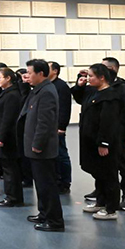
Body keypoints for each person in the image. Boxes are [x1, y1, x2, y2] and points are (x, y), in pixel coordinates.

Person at [72, 64, 122, 220]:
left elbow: (108, 123)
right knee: (99, 174)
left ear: (102, 77)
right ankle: (101, 202)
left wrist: (104, 143)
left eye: (91, 76)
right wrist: (79, 85)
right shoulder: (93, 92)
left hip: (103, 143)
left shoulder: (110, 96)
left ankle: (111, 208)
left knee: (108, 175)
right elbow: (80, 99)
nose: (88, 79)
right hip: (90, 141)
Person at [23, 59, 64, 232]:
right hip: (36, 147)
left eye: (30, 72)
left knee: (47, 185)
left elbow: (45, 122)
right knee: (40, 184)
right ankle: (44, 213)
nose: (27, 75)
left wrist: (38, 144)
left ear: (40, 73)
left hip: (42, 149)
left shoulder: (46, 92)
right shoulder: (38, 89)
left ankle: (54, 221)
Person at [100, 57, 125, 211]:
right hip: (104, 134)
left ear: (112, 69)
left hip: (119, 134)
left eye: (103, 67)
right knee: (104, 166)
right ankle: (103, 195)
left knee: (123, 165)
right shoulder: (102, 86)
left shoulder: (124, 88)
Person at [0, 68, 24, 207]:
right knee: (7, 167)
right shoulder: (5, 92)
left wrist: (1, 137)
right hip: (2, 133)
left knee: (10, 169)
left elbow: (8, 119)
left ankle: (13, 197)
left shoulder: (12, 95)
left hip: (8, 137)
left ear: (8, 78)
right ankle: (11, 195)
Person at [48, 61, 73, 194]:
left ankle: (65, 182)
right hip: (49, 126)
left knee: (61, 154)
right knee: (53, 155)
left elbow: (65, 108)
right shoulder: (47, 85)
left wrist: (62, 126)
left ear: (55, 71)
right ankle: (56, 179)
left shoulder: (61, 86)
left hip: (57, 127)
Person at [16, 68, 33, 187]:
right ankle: (23, 176)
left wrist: (24, 84)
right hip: (20, 125)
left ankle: (27, 178)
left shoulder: (32, 91)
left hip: (25, 126)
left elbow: (24, 97)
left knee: (25, 154)